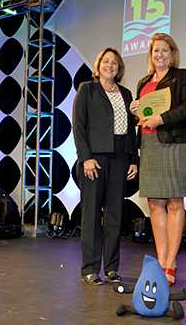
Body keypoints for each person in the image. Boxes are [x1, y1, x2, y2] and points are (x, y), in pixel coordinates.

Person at [129, 33, 186, 286]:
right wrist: (135, 110)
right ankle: (160, 260)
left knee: (175, 202)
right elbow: (142, 115)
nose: (160, 55)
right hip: (148, 143)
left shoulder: (183, 76)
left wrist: (162, 118)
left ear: (173, 53)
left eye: (165, 50)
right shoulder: (143, 81)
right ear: (151, 55)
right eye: (155, 51)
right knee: (155, 204)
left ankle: (171, 261)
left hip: (175, 143)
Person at [73, 47, 139, 286]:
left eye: (115, 62)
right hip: (95, 158)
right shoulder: (87, 89)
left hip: (121, 156)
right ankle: (89, 269)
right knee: (91, 214)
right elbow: (79, 125)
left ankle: (111, 268)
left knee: (114, 215)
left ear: (120, 68)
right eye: (105, 61)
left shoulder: (127, 93)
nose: (110, 65)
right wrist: (86, 157)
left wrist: (134, 158)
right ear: (98, 65)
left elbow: (133, 128)